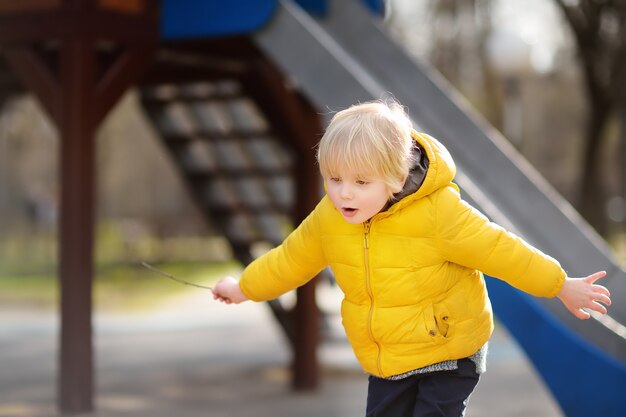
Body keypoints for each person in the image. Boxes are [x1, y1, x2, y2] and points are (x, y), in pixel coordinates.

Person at [211, 100, 611, 417]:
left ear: (397, 179)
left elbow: (502, 250)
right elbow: (289, 260)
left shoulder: (439, 214)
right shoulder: (329, 219)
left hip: (450, 350)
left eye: (361, 182)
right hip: (390, 358)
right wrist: (243, 288)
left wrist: (561, 285)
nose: (344, 194)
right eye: (334, 179)